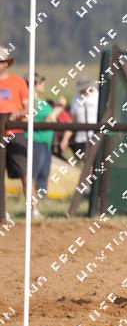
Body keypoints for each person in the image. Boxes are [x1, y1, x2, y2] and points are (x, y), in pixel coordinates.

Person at [0, 47, 31, 224]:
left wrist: (17, 115)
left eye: (1, 61)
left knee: (24, 172)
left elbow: (29, 107)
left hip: (15, 133)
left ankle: (33, 210)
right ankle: (3, 213)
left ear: (6, 63)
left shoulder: (18, 82)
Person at [26, 73, 54, 218]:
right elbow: (26, 119)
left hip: (46, 141)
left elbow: (51, 117)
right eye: (40, 82)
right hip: (35, 140)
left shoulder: (42, 100)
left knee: (44, 173)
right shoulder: (29, 101)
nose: (43, 84)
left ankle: (41, 201)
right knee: (32, 174)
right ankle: (33, 207)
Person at [60, 76, 99, 158]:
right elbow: (72, 121)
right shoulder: (76, 98)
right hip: (80, 141)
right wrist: (65, 139)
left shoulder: (98, 96)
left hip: (96, 138)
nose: (81, 91)